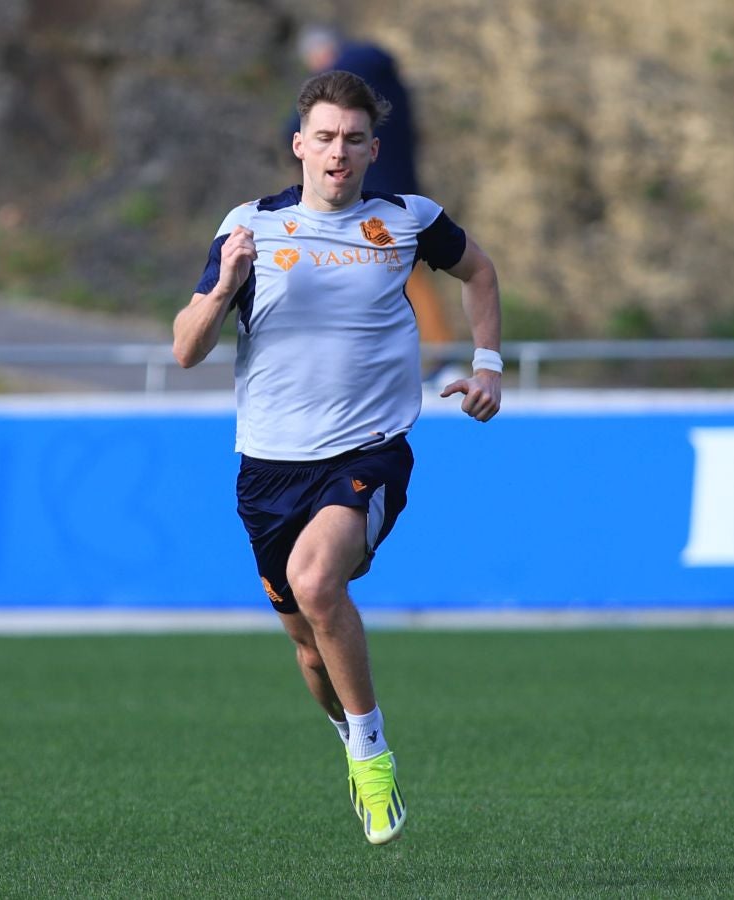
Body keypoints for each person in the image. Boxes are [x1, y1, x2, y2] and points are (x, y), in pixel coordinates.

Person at [173, 70, 503, 845]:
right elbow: (186, 350)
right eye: (324, 138)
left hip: (368, 451)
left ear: (372, 149)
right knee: (310, 650)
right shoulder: (251, 227)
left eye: (354, 140)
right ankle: (347, 729)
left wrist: (488, 362)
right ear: (299, 145)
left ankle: (373, 753)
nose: (337, 153)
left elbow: (479, 271)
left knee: (317, 581)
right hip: (267, 470)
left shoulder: (409, 222)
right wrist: (223, 287)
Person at [287, 26, 457, 359]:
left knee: (400, 266)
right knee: (390, 269)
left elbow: (291, 126)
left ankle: (440, 354)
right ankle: (427, 352)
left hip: (375, 195)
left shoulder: (351, 73)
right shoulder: (384, 84)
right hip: (394, 189)